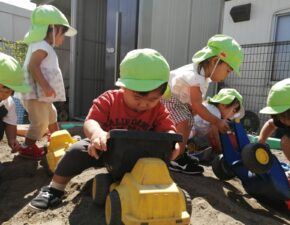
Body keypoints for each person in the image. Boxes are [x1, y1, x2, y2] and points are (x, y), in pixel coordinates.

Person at [28, 48, 180, 210]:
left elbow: (168, 131)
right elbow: (91, 121)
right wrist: (97, 134)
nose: (144, 104)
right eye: (137, 97)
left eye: (153, 99)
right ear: (124, 87)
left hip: (139, 156)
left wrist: (172, 143)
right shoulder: (110, 99)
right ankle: (55, 189)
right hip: (105, 148)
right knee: (76, 150)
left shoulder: (158, 110)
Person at [162, 34, 244, 174]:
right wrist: (217, 121)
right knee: (184, 121)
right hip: (167, 98)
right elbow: (197, 105)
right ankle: (174, 159)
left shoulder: (201, 75)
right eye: (228, 70)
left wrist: (193, 110)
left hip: (176, 100)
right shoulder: (196, 77)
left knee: (187, 121)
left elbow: (194, 103)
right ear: (215, 61)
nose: (226, 75)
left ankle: (179, 153)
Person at [15, 5, 77, 159]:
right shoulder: (42, 46)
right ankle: (27, 147)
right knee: (40, 121)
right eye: (62, 34)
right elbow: (33, 65)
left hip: (40, 94)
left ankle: (56, 138)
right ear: (53, 29)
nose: (63, 39)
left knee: (52, 114)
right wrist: (46, 86)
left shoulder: (42, 46)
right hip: (35, 94)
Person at [258, 77, 290, 178]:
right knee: (285, 141)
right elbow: (270, 124)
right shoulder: (284, 120)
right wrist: (261, 142)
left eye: (285, 116)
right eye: (279, 116)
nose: (282, 120)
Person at [189, 88, 244, 157]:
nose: (232, 115)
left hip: (193, 128)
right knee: (192, 133)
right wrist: (219, 149)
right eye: (234, 110)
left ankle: (190, 150)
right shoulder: (216, 112)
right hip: (190, 127)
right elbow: (213, 135)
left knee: (199, 139)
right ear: (224, 104)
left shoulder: (212, 108)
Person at [0, 53, 31, 152]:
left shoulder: (8, 103)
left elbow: (10, 123)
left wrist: (12, 139)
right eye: (0, 90)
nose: (2, 95)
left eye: (7, 92)